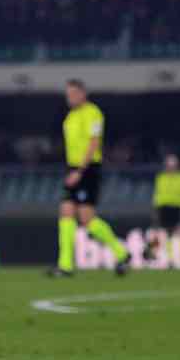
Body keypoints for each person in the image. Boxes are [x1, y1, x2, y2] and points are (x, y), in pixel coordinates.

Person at [53, 79, 129, 277]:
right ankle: (65, 265)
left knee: (86, 219)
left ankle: (121, 252)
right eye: (67, 94)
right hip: (73, 167)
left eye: (72, 94)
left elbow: (94, 142)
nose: (69, 98)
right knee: (66, 212)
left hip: (87, 169)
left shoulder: (93, 113)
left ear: (82, 93)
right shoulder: (70, 116)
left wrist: (80, 171)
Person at [148, 153, 180, 264]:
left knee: (179, 235)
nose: (170, 168)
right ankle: (154, 257)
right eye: (169, 165)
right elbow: (157, 195)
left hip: (177, 209)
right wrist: (155, 210)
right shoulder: (161, 178)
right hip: (163, 209)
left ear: (177, 166)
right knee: (158, 234)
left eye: (173, 165)